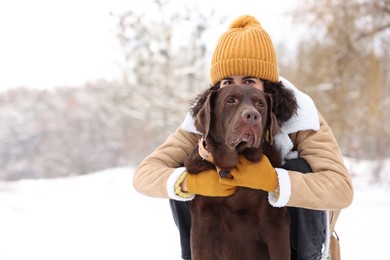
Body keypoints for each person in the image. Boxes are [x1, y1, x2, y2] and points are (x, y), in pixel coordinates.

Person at [133, 15, 353, 260]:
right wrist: (191, 183)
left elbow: (341, 189)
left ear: (267, 86)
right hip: (228, 240)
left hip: (293, 241)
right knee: (182, 174)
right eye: (228, 82)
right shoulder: (206, 117)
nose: (242, 96)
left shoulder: (302, 118)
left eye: (249, 81)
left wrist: (275, 181)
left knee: (298, 167)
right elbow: (145, 174)